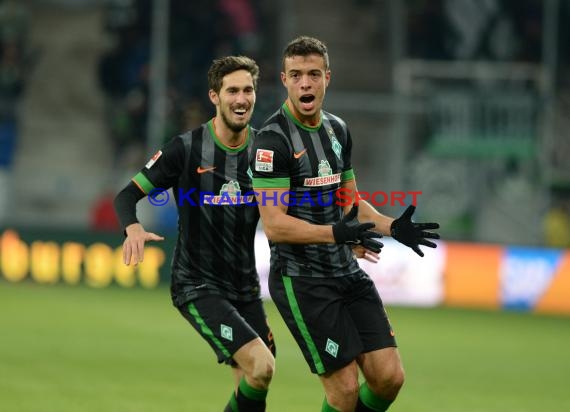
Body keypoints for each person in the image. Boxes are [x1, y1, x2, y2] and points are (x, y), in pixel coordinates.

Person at [250, 36, 440, 412]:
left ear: (327, 78)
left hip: (345, 271)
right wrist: (337, 233)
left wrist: (392, 227)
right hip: (302, 280)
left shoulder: (337, 130)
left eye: (314, 74)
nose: (306, 83)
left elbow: (349, 202)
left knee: (389, 378)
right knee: (345, 391)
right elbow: (274, 226)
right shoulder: (272, 141)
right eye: (297, 75)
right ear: (285, 80)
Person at [114, 55, 275, 412]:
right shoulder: (184, 149)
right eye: (232, 90)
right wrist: (133, 226)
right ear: (214, 96)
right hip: (198, 285)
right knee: (262, 365)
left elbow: (296, 203)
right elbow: (126, 196)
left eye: (247, 90)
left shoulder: (266, 151)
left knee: (255, 377)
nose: (241, 98)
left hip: (245, 287)